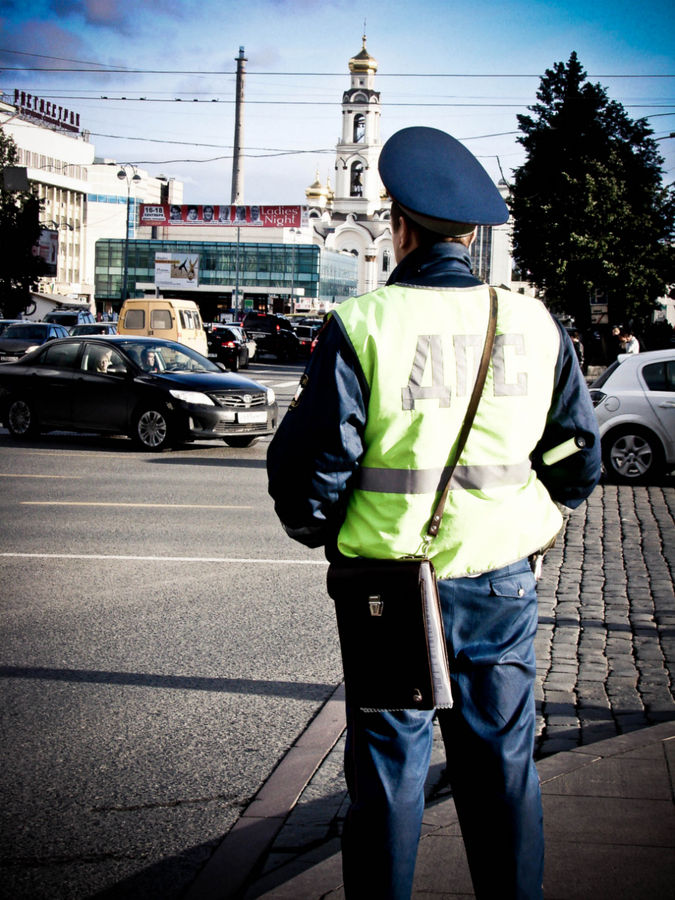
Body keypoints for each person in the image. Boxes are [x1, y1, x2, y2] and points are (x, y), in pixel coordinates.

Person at [267, 126, 602, 900]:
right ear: (470, 233)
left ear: (401, 226)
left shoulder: (364, 323)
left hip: (387, 584)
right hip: (500, 585)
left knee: (388, 777)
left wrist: (325, 532)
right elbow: (575, 458)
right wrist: (520, 516)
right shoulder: (532, 323)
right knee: (502, 770)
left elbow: (308, 469)